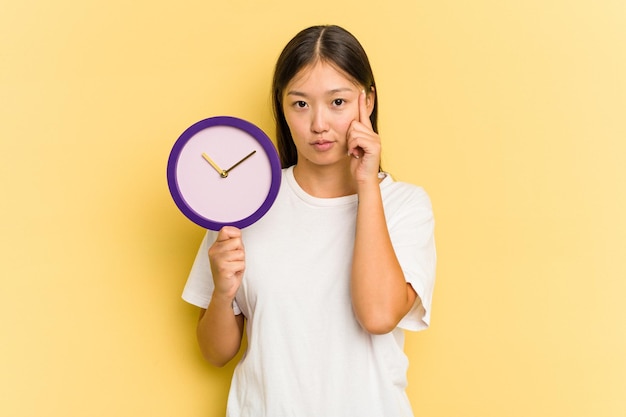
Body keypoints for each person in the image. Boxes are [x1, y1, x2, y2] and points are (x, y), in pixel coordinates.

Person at [182, 24, 436, 417]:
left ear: (366, 102)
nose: (319, 124)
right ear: (282, 109)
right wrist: (221, 293)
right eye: (300, 104)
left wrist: (366, 182)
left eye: (337, 102)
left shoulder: (405, 205)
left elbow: (378, 315)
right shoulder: (244, 203)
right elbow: (215, 353)